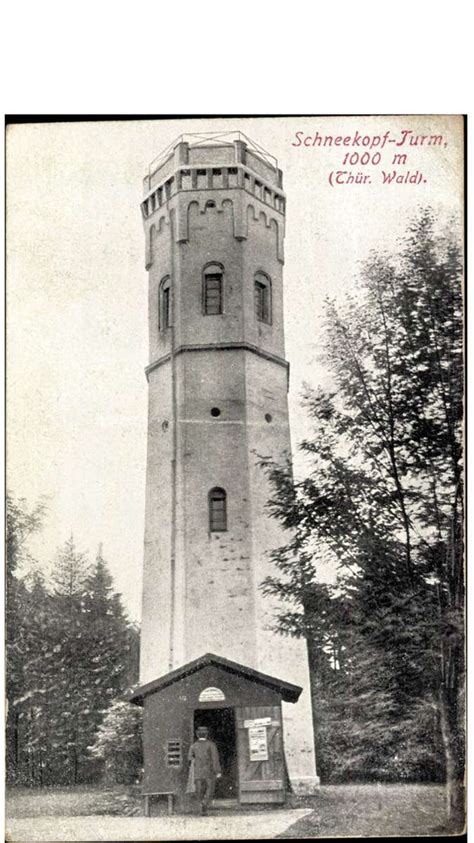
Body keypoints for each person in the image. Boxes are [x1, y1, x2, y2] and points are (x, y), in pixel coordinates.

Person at [188, 725, 221, 815]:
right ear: (206, 735)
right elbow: (215, 759)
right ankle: (205, 804)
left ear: (197, 735)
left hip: (198, 772)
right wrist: (217, 771)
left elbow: (189, 758)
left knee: (199, 790)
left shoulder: (193, 746)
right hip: (209, 772)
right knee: (210, 789)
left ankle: (201, 808)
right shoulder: (211, 745)